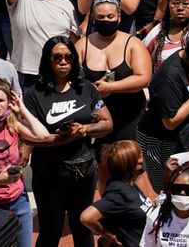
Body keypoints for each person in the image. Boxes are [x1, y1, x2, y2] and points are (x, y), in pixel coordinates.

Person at [25, 36, 114, 247]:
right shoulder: (34, 94)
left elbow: (107, 123)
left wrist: (84, 129)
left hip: (82, 171)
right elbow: (32, 137)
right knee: (51, 230)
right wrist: (64, 138)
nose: (63, 62)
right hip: (48, 173)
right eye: (57, 57)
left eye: (68, 57)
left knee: (82, 228)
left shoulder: (87, 89)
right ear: (47, 60)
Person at [137, 30, 189, 192]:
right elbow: (170, 123)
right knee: (166, 188)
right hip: (159, 140)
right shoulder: (169, 76)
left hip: (180, 136)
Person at [76, 0, 151, 143]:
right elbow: (70, 78)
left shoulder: (133, 43)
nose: (105, 21)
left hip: (129, 117)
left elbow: (143, 78)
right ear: (94, 18)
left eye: (110, 16)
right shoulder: (82, 45)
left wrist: (110, 87)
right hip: (94, 119)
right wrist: (90, 89)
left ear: (119, 16)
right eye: (101, 17)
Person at [0, 78, 50, 247]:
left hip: (19, 201)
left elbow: (43, 136)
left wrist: (22, 109)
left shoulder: (13, 125)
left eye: (1, 100)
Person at [80, 140, 153, 247]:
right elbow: (86, 217)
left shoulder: (129, 183)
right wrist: (107, 234)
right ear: (132, 165)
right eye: (140, 158)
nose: (143, 161)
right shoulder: (118, 193)